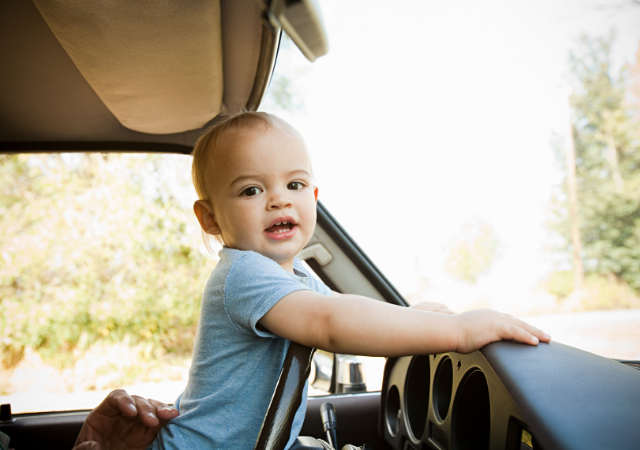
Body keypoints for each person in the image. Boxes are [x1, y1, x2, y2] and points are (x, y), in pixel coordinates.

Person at [76, 111, 550, 449]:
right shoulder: (242, 274)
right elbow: (331, 322)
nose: (279, 200)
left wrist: (410, 317)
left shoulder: (295, 274)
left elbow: (347, 314)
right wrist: (461, 331)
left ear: (315, 197)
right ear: (210, 218)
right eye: (251, 189)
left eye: (295, 185)